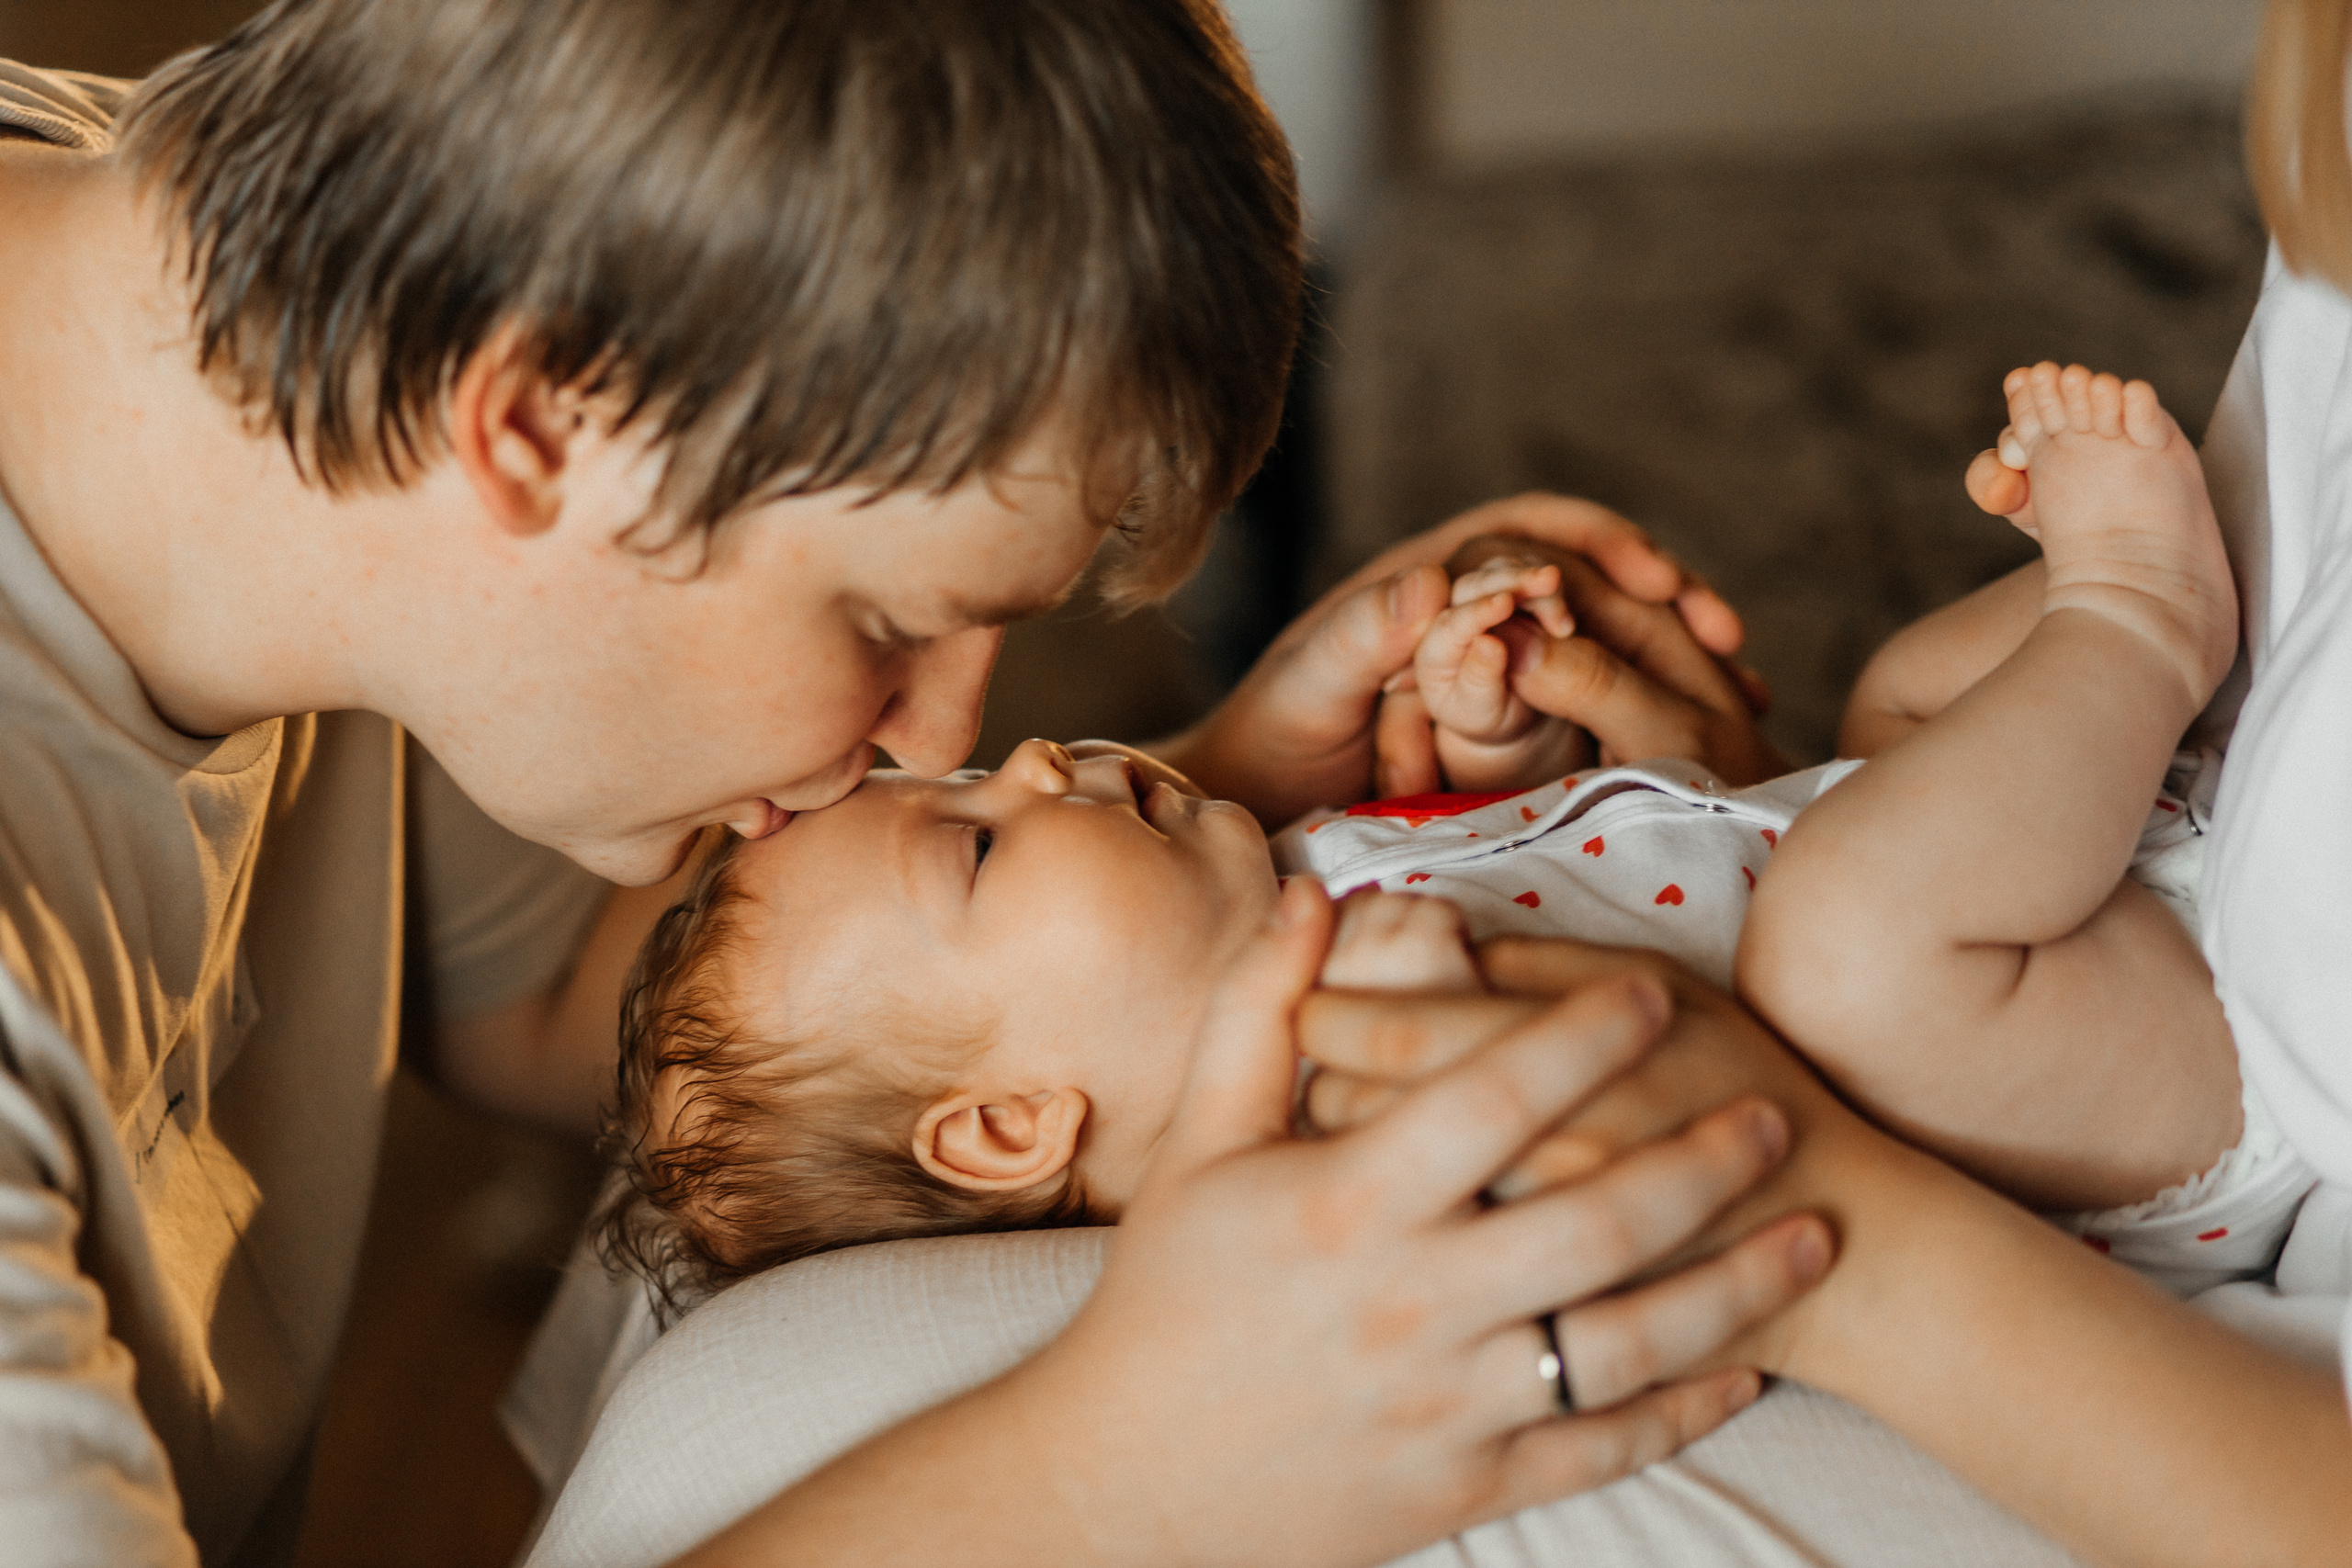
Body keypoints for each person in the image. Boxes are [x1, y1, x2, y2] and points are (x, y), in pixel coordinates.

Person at [0, 5, 1838, 1564]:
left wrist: (1200, 806)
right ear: (540, 420)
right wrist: (1117, 1457)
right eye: (885, 618)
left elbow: (556, 1003)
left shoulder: (240, 339)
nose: (939, 738)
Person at [598, 365, 2309, 1318]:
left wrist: (1523, 747)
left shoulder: (1297, 886)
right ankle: (2144, 617)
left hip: (2032, 923)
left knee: (1897, 711)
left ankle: (2164, 662)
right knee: (1847, 944)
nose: (1026, 753)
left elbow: (1599, 871)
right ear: (1007, 1130)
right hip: (2116, 1105)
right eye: (976, 848)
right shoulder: (1288, 1154)